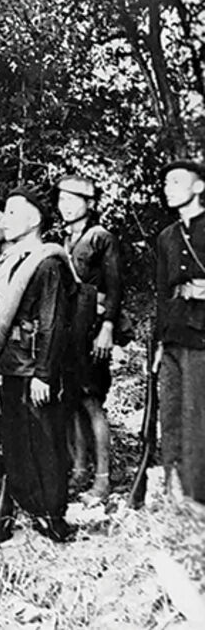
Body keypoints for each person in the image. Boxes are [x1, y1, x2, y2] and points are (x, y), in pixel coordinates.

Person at [0, 185, 76, 542]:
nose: (5, 220)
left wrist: (44, 373)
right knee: (17, 440)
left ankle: (53, 515)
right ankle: (29, 507)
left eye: (12, 212)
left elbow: (53, 322)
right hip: (12, 364)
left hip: (34, 368)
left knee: (44, 441)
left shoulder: (48, 262)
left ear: (35, 218)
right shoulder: (16, 260)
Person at [55, 175, 122, 502]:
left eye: (72, 199)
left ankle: (102, 478)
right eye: (61, 199)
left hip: (93, 331)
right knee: (72, 401)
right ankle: (80, 468)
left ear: (89, 204)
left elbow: (115, 286)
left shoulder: (101, 238)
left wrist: (107, 326)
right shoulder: (63, 240)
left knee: (92, 401)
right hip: (69, 332)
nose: (65, 206)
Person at [155, 160, 205, 506]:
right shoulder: (166, 237)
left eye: (176, 181)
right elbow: (162, 291)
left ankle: (197, 492)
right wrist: (159, 341)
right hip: (173, 332)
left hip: (202, 333)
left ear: (199, 186)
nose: (168, 188)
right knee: (170, 411)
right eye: (165, 183)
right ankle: (173, 484)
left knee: (196, 413)